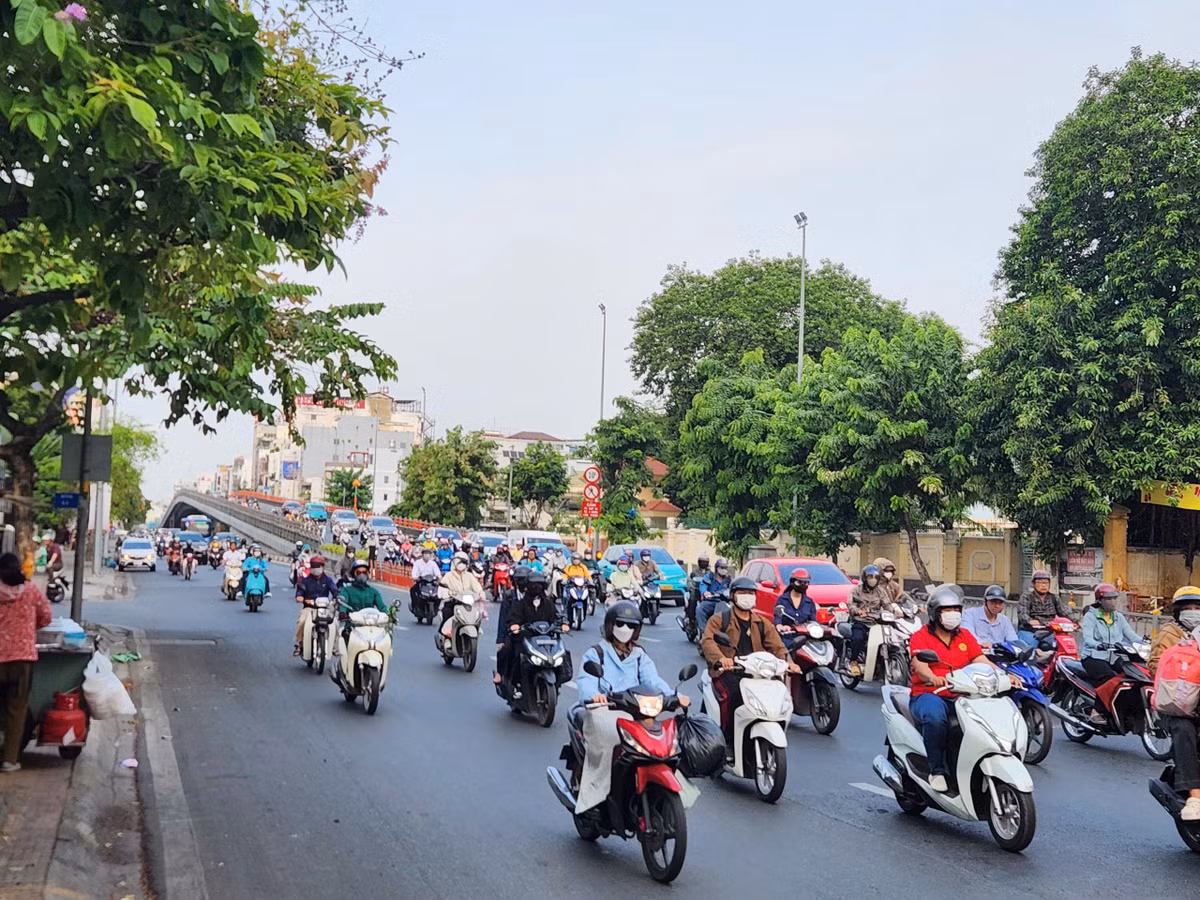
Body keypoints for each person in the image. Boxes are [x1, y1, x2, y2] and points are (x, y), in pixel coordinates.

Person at [573, 600, 687, 811]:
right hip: (604, 711)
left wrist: (674, 696)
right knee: (607, 746)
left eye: (630, 626)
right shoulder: (596, 653)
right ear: (610, 626)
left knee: (661, 746)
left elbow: (653, 680)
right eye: (620, 624)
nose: (625, 630)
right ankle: (594, 796)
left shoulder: (639, 655)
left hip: (635, 712)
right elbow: (586, 681)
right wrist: (595, 695)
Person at [909, 585, 1023, 793]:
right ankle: (937, 771)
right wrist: (934, 678)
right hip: (929, 694)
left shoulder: (965, 636)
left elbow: (979, 658)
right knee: (935, 719)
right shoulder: (921, 636)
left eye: (956, 610)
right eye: (946, 611)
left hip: (964, 694)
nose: (952, 615)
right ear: (935, 613)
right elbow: (920, 666)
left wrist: (1004, 675)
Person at [701, 574, 793, 746]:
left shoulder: (762, 623)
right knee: (733, 695)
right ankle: (726, 740)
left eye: (751, 593)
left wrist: (788, 662)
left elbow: (777, 645)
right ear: (733, 595)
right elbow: (708, 641)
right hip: (729, 671)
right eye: (743, 592)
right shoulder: (720, 619)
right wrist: (722, 659)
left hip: (757, 672)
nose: (747, 596)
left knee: (777, 691)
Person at [0, 553, 53, 772]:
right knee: (16, 710)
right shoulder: (31, 590)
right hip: (22, 659)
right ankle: (10, 760)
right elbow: (46, 617)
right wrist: (28, 629)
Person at [494, 571, 567, 688]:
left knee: (561, 654)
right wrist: (515, 625)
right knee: (509, 651)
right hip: (524, 638)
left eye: (539, 585)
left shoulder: (548, 603)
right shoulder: (520, 604)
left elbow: (557, 616)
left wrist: (563, 624)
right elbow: (512, 618)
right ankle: (508, 678)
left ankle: (559, 680)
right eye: (533, 585)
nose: (536, 588)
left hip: (545, 639)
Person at [1080, 583, 1142, 688]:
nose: (1113, 602)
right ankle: (1100, 703)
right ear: (1099, 600)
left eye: (1114, 598)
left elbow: (1130, 634)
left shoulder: (1118, 617)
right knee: (1110, 679)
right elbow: (1088, 639)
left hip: (1114, 657)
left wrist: (1145, 643)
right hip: (1093, 657)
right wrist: (1099, 645)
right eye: (1109, 599)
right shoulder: (1090, 616)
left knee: (1132, 674)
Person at [847, 563, 892, 676]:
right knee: (858, 638)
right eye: (870, 577)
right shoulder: (856, 590)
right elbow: (850, 604)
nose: (873, 580)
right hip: (861, 621)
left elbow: (887, 604)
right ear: (865, 578)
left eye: (876, 577)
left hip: (876, 622)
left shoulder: (880, 591)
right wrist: (857, 611)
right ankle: (853, 661)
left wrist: (896, 612)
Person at [336, 560, 389, 650]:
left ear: (368, 574)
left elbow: (382, 606)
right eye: (359, 572)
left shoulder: (373, 591)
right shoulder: (347, 590)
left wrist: (387, 613)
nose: (362, 575)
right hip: (352, 625)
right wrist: (342, 612)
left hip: (371, 625)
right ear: (354, 574)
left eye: (364, 572)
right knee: (344, 636)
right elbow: (343, 603)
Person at [1151, 586, 1200, 677]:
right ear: (1177, 612)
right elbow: (1156, 667)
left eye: (1197, 608)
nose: (1193, 612)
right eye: (1187, 609)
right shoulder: (1168, 634)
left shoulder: (1198, 632)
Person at [292, 555, 337, 655]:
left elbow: (335, 591)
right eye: (313, 566)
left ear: (323, 567)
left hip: (324, 608)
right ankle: (300, 644)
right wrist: (300, 597)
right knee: (302, 621)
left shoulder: (328, 580)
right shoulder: (305, 580)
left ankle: (333, 646)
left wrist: (337, 598)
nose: (316, 568)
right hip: (309, 608)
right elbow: (300, 591)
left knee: (335, 623)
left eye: (318, 566)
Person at [1016, 569, 1074, 644]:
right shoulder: (1027, 597)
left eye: (1046, 583)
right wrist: (1030, 621)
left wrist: (1076, 622)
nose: (1043, 585)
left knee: (1063, 643)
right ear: (1034, 584)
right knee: (1031, 647)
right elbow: (1022, 613)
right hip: (1030, 631)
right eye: (1040, 582)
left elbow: (1065, 612)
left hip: (1049, 631)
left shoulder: (1054, 598)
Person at [439, 551, 485, 637]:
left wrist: (480, 593)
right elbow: (442, 588)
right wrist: (447, 594)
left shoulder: (469, 576)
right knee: (447, 613)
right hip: (452, 602)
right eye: (459, 562)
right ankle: (444, 636)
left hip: (467, 604)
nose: (461, 564)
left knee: (476, 616)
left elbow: (477, 587)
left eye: (463, 562)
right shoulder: (449, 576)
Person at [961, 584, 1018, 649]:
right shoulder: (970, 614)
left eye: (1000, 603)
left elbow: (1013, 639)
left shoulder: (1005, 620)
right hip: (976, 652)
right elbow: (967, 633)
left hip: (999, 655)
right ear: (985, 601)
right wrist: (981, 642)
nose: (997, 606)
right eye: (993, 602)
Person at [773, 569, 818, 650]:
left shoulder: (809, 602)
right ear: (792, 582)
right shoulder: (782, 599)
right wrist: (780, 626)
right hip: (786, 638)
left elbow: (813, 621)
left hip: (804, 640)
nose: (803, 585)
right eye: (799, 582)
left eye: (806, 583)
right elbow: (777, 618)